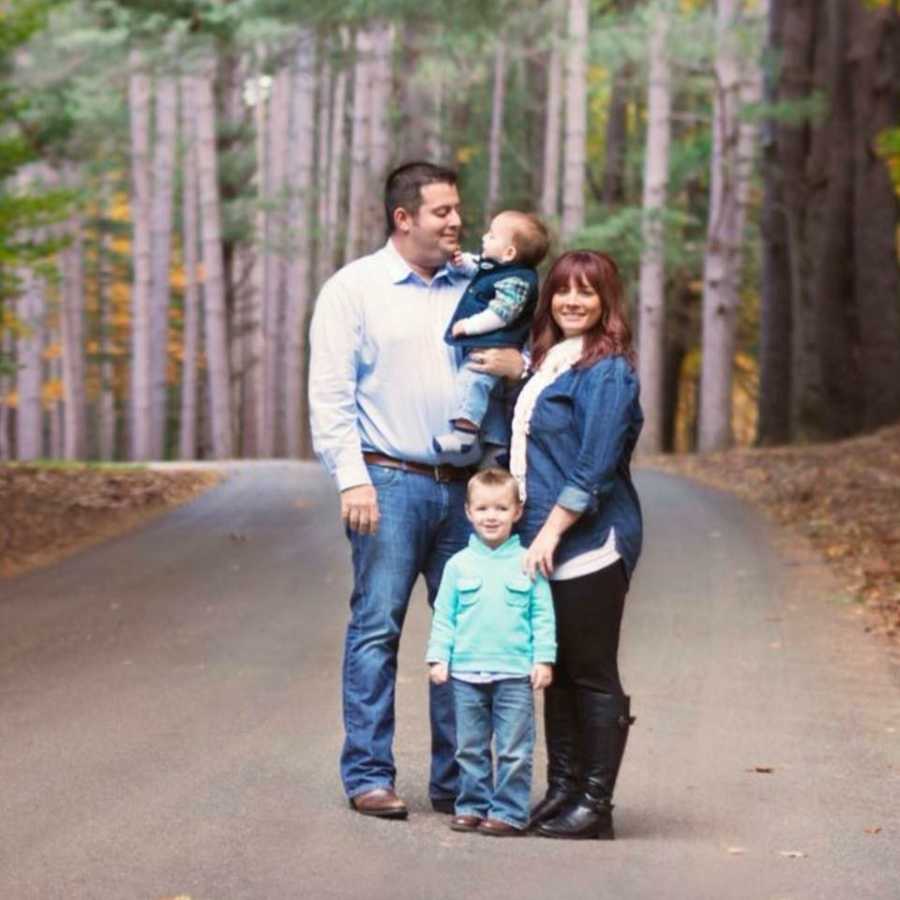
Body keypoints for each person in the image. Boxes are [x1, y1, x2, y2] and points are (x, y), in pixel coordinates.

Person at [308, 161, 525, 819]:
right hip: (390, 482)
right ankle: (370, 774)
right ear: (404, 219)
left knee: (470, 636)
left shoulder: (482, 285)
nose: (458, 221)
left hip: (472, 492)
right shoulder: (355, 289)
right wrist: (352, 479)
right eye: (443, 212)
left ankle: (458, 784)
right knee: (377, 629)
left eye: (459, 209)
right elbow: (331, 394)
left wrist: (523, 366)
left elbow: (523, 370)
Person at [512, 250, 643, 841]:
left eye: (587, 292)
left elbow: (592, 468)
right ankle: (562, 790)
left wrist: (549, 533)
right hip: (546, 536)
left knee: (590, 670)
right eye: (563, 290)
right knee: (557, 668)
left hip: (589, 540)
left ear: (605, 302)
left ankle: (596, 805)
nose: (572, 301)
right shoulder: (550, 364)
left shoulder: (607, 370)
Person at [426, 468, 556, 836]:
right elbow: (444, 617)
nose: (491, 516)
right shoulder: (457, 565)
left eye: (501, 508)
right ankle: (471, 804)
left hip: (514, 673)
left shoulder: (529, 562)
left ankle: (510, 811)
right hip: (466, 675)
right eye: (482, 508)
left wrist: (543, 659)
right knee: (469, 748)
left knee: (515, 749)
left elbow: (542, 616)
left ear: (517, 511)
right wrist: (439, 657)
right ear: (468, 512)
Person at [433, 211, 550, 457]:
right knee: (491, 396)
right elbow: (476, 266)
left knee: (471, 381)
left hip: (493, 346)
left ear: (509, 253)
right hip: (489, 346)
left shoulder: (518, 281)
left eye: (492, 235)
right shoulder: (496, 266)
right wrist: (461, 262)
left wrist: (468, 326)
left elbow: (500, 314)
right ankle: (497, 443)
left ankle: (463, 434)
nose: (485, 237)